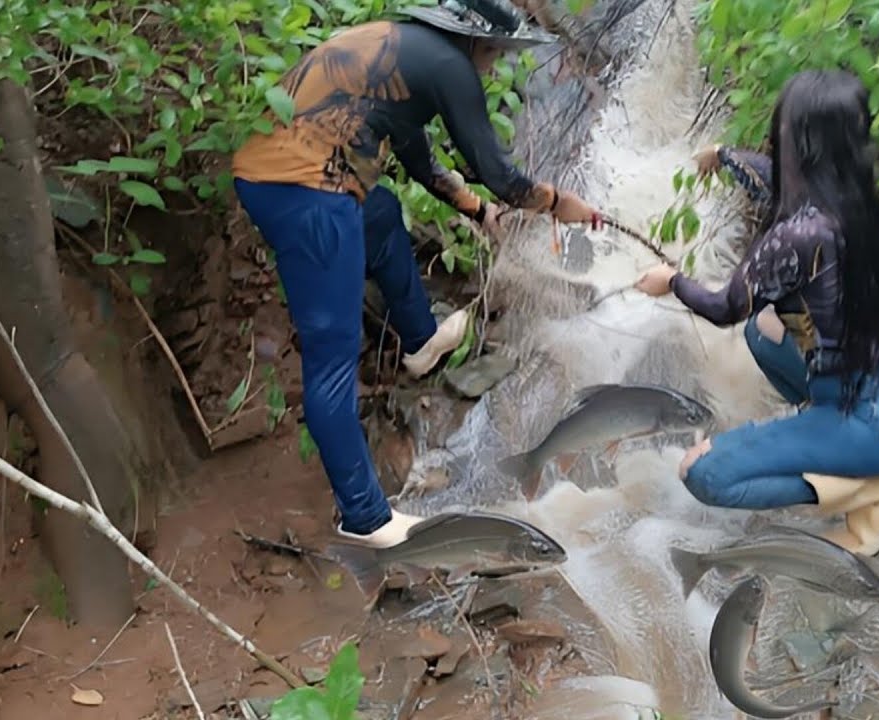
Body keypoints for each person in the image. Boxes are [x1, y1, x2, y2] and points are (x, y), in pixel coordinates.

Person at [231, 0, 602, 550]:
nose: (495, 66)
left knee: (378, 212)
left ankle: (420, 341)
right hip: (306, 195)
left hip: (278, 178)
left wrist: (478, 213)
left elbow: (418, 159)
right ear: (475, 41)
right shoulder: (450, 68)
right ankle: (364, 517)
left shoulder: (403, 51)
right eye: (497, 54)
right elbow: (498, 173)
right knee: (331, 354)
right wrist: (556, 202)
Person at [634, 69, 879, 557]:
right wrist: (725, 157)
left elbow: (723, 307)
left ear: (795, 141)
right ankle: (823, 435)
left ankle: (871, 489)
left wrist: (671, 282)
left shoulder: (799, 236)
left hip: (873, 423)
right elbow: (768, 181)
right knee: (763, 332)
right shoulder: (855, 197)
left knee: (701, 471)